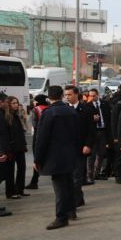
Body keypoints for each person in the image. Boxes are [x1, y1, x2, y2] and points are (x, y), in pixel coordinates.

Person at [34, 86, 80, 229]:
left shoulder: (48, 113)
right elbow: (77, 133)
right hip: (70, 154)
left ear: (49, 97)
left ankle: (61, 217)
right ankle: (71, 211)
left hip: (55, 157)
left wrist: (38, 159)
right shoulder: (71, 111)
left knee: (59, 187)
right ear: (62, 96)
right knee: (68, 183)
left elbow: (42, 138)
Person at [65, 85, 95, 209]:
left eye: (69, 94)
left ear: (76, 94)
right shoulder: (64, 109)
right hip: (66, 149)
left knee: (77, 177)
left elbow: (91, 130)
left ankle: (75, 202)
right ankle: (79, 198)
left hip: (80, 149)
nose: (67, 97)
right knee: (69, 177)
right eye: (66, 95)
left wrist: (88, 144)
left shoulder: (86, 109)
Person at [4, 97, 28, 200]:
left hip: (20, 147)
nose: (16, 105)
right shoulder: (6, 117)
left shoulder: (17, 115)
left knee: (22, 168)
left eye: (17, 103)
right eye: (13, 103)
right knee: (10, 170)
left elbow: (21, 131)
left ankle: (19, 189)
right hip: (11, 148)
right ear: (8, 104)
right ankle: (10, 192)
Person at [87, 88, 112, 181]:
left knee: (101, 153)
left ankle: (96, 173)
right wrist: (92, 119)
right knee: (91, 155)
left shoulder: (105, 104)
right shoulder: (88, 106)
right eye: (91, 96)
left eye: (94, 96)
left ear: (98, 95)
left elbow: (109, 118)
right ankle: (90, 175)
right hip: (93, 132)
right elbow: (85, 121)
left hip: (103, 131)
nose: (92, 97)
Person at [25, 95, 49, 190]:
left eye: (35, 101)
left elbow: (34, 125)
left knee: (37, 159)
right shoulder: (49, 108)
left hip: (38, 136)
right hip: (50, 136)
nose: (34, 102)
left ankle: (34, 182)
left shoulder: (35, 110)